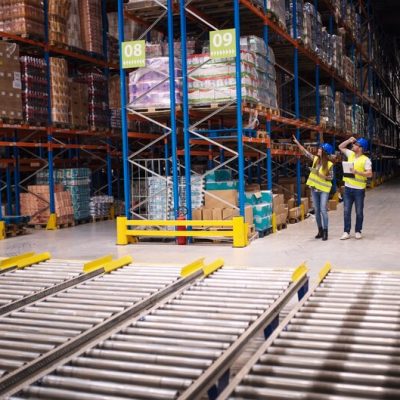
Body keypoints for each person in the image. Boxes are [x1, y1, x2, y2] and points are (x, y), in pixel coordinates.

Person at [293, 136, 334, 241]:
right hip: (314, 189)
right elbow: (305, 153)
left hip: (324, 190)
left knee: (323, 210)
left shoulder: (329, 164)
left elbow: (331, 177)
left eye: (321, 149)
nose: (319, 150)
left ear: (325, 152)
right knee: (317, 210)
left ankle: (325, 231)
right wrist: (297, 143)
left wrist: (323, 176)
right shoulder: (315, 159)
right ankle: (320, 230)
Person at [339, 136, 372, 240]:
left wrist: (357, 172)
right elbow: (340, 146)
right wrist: (349, 140)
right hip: (348, 189)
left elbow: (370, 174)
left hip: (359, 190)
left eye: (355, 144)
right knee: (346, 211)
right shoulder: (351, 154)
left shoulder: (366, 160)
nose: (353, 145)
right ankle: (346, 231)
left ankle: (358, 231)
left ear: (361, 148)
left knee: (359, 212)